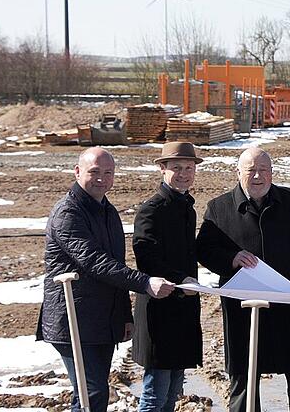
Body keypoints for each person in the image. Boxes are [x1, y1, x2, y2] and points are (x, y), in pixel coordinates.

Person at [37, 147, 175, 412]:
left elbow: (115, 265)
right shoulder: (68, 213)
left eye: (108, 173)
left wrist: (123, 314)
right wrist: (145, 283)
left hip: (100, 319)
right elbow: (94, 262)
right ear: (77, 172)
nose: (102, 178)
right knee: (91, 394)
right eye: (94, 172)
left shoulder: (106, 210)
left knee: (93, 392)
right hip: (73, 319)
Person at [196, 147, 290, 412]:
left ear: (272, 173)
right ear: (238, 172)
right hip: (244, 311)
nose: (257, 176)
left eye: (263, 169)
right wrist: (230, 258)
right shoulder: (219, 208)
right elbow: (204, 250)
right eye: (250, 169)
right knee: (244, 382)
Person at [132, 142, 204, 411]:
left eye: (188, 168)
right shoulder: (152, 209)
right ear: (162, 169)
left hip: (182, 311)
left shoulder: (187, 207)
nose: (184, 174)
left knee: (173, 392)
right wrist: (180, 280)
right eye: (177, 168)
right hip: (159, 311)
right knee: (155, 394)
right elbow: (146, 257)